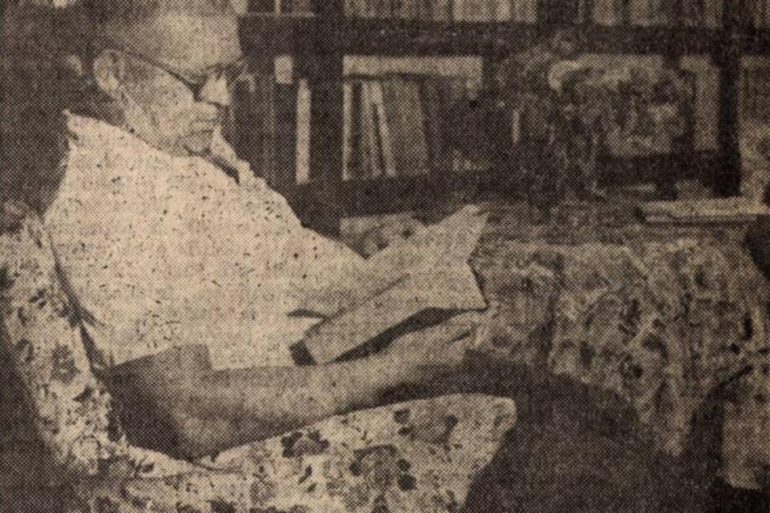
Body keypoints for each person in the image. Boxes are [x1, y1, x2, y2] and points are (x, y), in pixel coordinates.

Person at [0, 1, 518, 511]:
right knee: (534, 420)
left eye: (230, 73)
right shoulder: (108, 194)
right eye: (200, 79)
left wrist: (362, 257)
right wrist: (392, 368)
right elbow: (190, 412)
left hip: (325, 359)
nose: (222, 98)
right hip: (261, 446)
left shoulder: (171, 140)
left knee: (522, 377)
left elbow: (257, 274)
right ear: (112, 73)